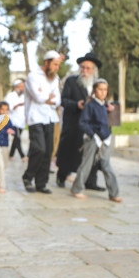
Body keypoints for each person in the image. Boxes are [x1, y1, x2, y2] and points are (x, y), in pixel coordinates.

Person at [55, 53, 105, 190]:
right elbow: (63, 101)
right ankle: (62, 176)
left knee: (92, 154)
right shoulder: (72, 82)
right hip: (73, 124)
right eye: (82, 68)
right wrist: (77, 104)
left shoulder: (97, 85)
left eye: (88, 69)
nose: (84, 71)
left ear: (94, 70)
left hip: (91, 126)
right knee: (68, 151)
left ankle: (91, 182)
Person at [70, 79, 122, 203]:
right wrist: (94, 134)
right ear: (95, 90)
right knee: (86, 165)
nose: (103, 92)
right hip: (92, 139)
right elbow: (82, 123)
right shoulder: (90, 105)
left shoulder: (106, 105)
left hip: (104, 141)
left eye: (105, 90)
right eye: (100, 89)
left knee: (106, 165)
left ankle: (113, 193)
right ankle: (76, 189)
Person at [22, 50, 62, 194]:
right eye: (55, 64)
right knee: (39, 149)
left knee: (48, 151)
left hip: (50, 117)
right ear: (46, 62)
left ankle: (41, 183)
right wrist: (47, 97)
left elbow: (57, 99)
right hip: (35, 118)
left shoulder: (55, 79)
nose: (57, 67)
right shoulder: (33, 76)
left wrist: (48, 97)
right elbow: (38, 97)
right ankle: (28, 177)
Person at [0, 101, 16, 193]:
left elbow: (13, 129)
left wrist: (12, 132)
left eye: (6, 110)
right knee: (0, 165)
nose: (4, 111)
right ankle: (0, 186)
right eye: (2, 109)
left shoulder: (8, 120)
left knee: (4, 165)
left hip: (5, 145)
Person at [4, 79, 26, 161]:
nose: (22, 88)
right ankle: (23, 156)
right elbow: (8, 108)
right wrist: (18, 105)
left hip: (22, 121)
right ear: (15, 87)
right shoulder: (10, 95)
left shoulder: (24, 96)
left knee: (16, 139)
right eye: (21, 87)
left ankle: (11, 155)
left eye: (23, 87)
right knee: (17, 137)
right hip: (13, 121)